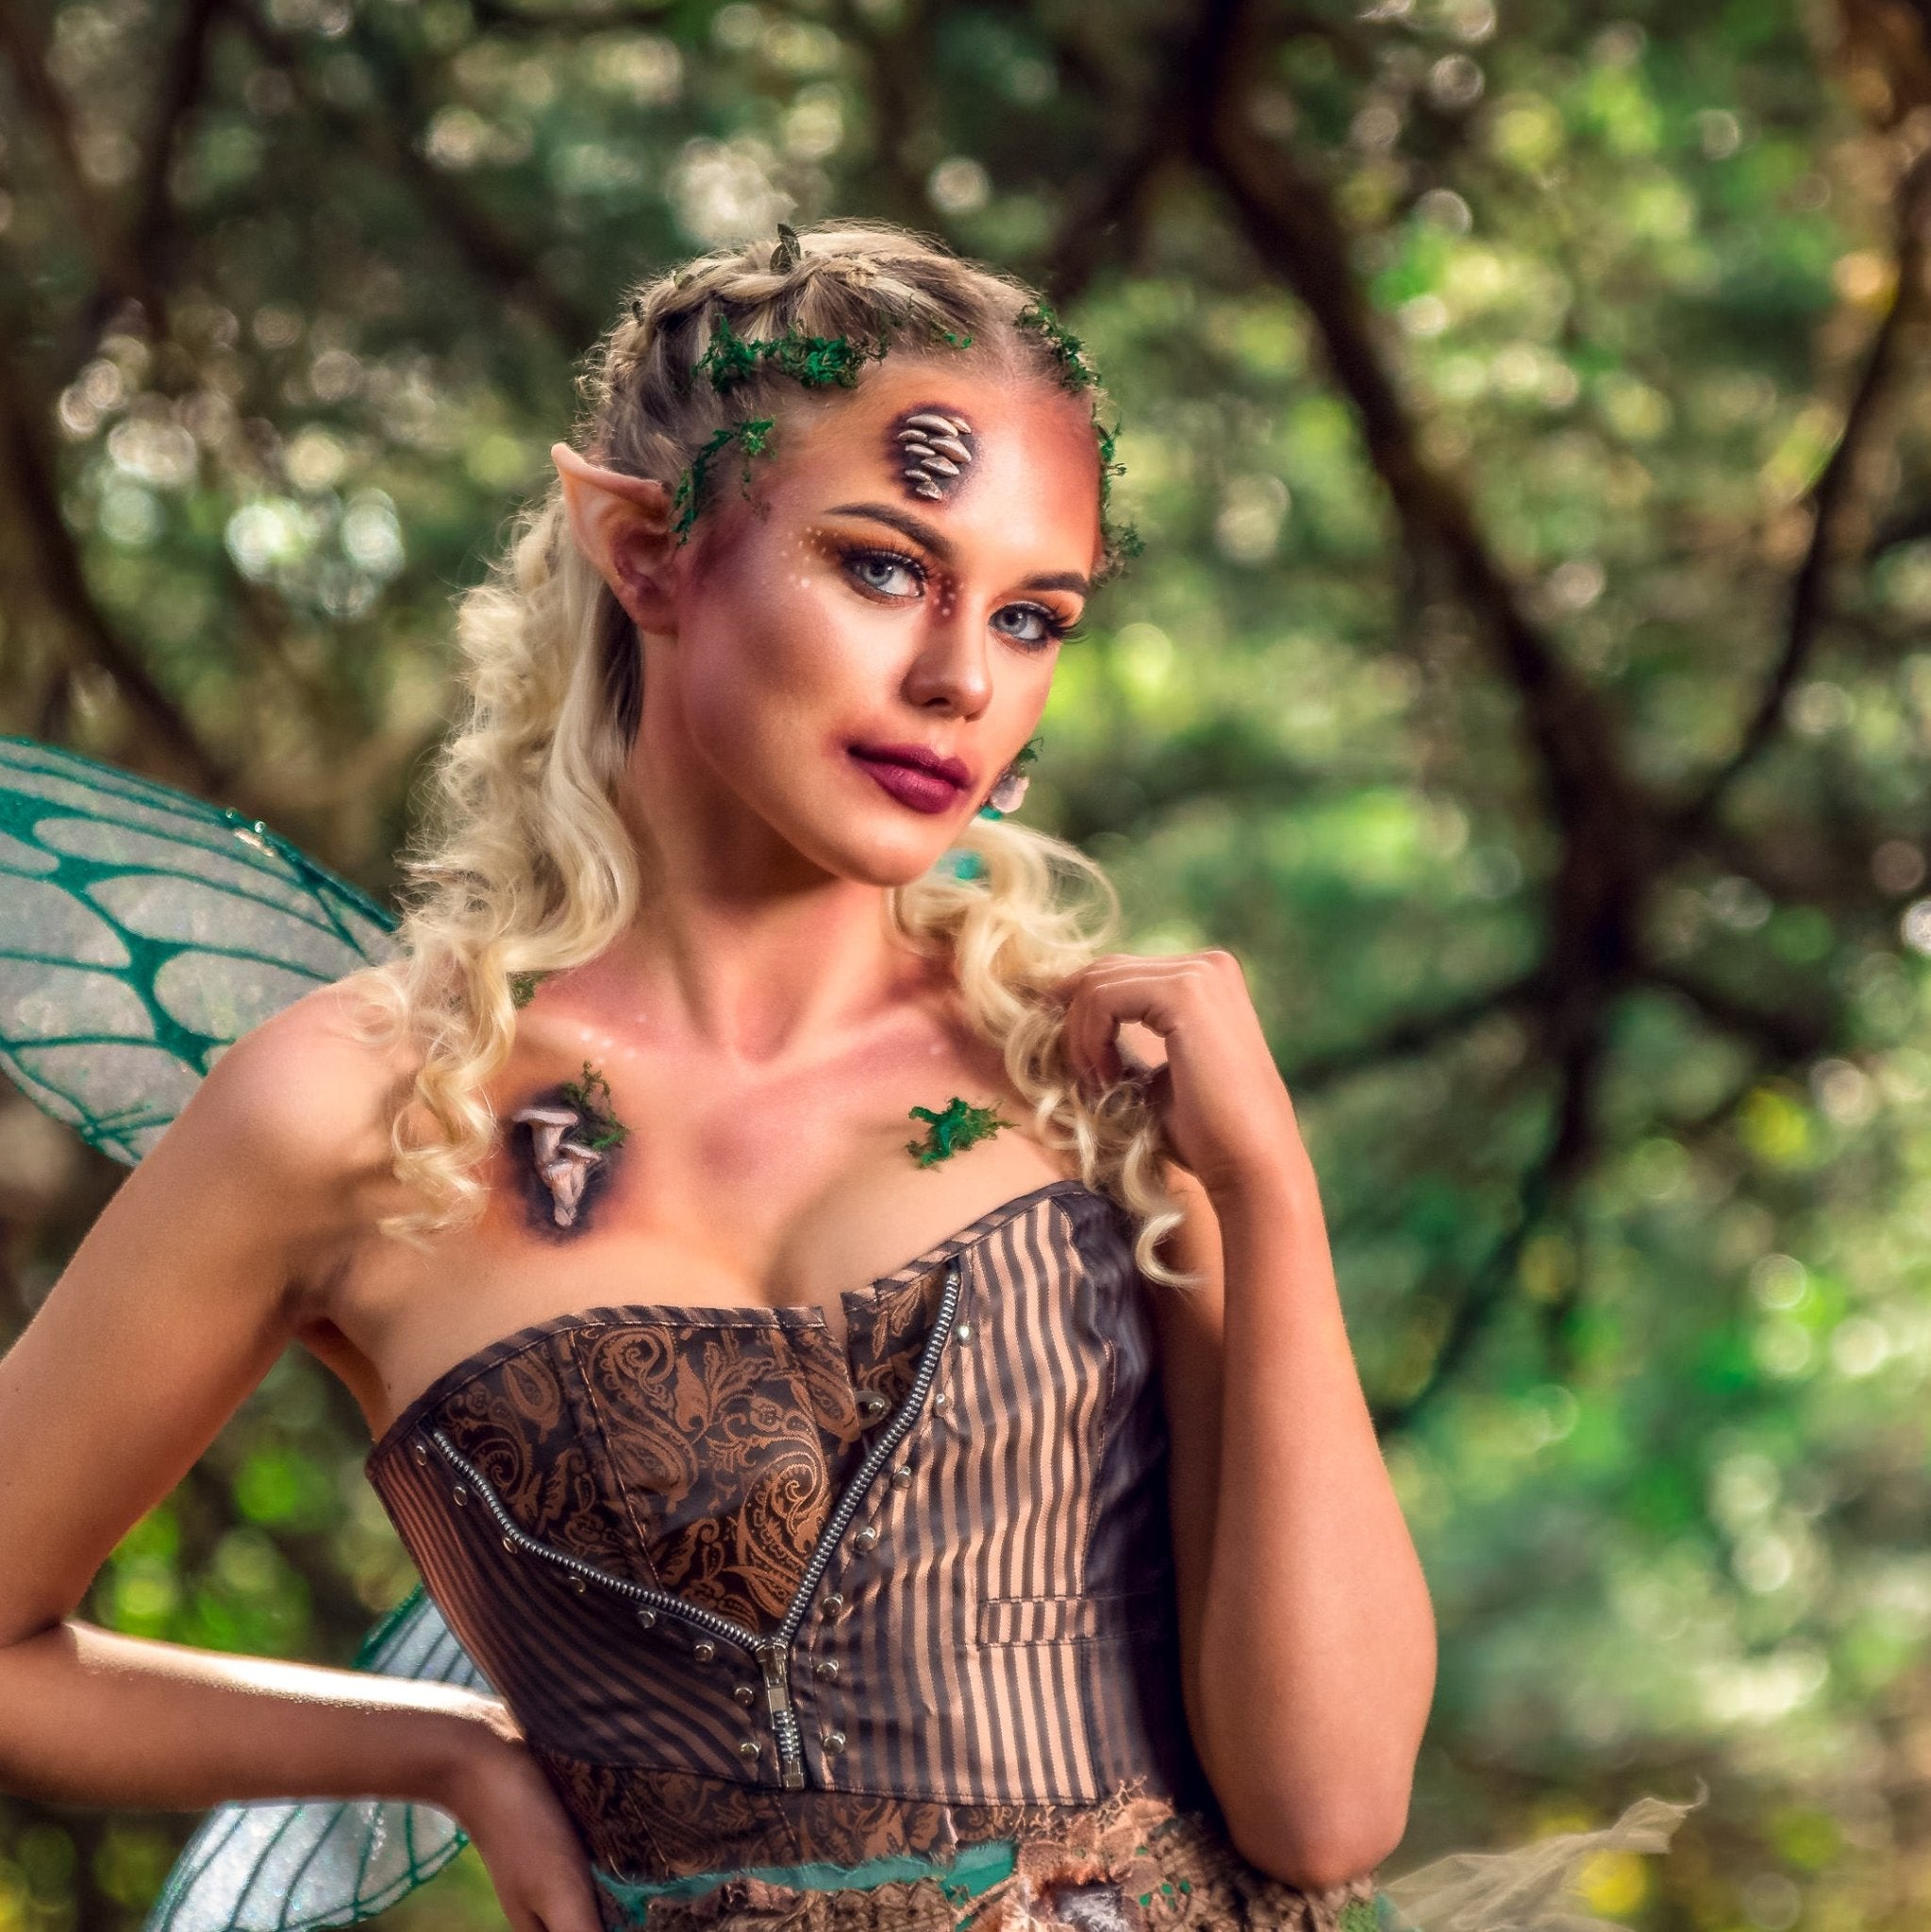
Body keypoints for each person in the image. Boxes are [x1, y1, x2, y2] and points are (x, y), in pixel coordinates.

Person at [0, 221, 1696, 1932]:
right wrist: (452, 1755)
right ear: (646, 550)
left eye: (1034, 616)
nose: (963, 679)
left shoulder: (1087, 1082)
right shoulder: (364, 1111)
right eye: (886, 567)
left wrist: (1265, 1194)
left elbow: (1327, 1809)